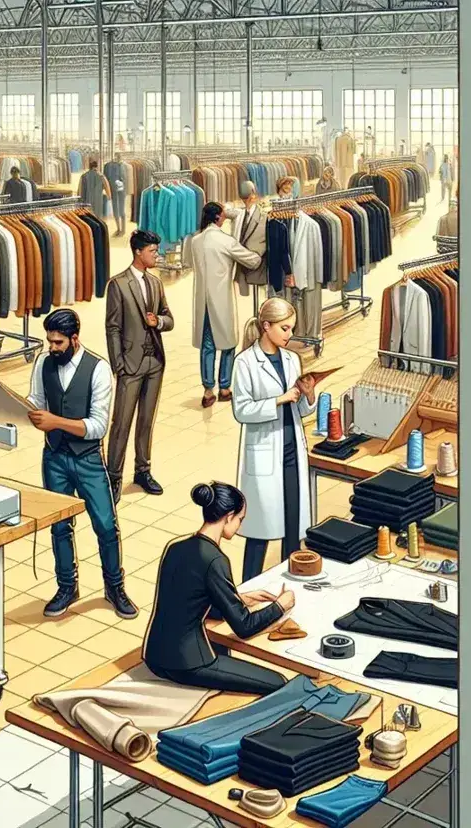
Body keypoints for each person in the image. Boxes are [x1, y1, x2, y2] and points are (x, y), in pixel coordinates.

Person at [0, 309, 137, 620]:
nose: (52, 347)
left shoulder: (99, 370)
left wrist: (56, 422)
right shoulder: (43, 363)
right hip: (54, 457)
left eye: (58, 342)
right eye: (50, 341)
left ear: (74, 339)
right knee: (59, 526)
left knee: (106, 525)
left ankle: (114, 586)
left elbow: (98, 427)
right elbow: (36, 402)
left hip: (88, 458)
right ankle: (67, 587)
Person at [143, 482, 294, 695]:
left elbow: (185, 600)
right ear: (229, 516)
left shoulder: (175, 546)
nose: (240, 526)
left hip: (154, 655)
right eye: (240, 520)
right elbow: (244, 627)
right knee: (278, 681)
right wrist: (280, 605)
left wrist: (240, 598)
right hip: (188, 663)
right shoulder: (215, 559)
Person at [231, 298, 317, 581]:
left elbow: (300, 410)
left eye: (291, 329)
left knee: (292, 527)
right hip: (266, 453)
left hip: (292, 450)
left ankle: (291, 588)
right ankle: (247, 591)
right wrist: (278, 400)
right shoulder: (245, 362)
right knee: (261, 530)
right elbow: (241, 411)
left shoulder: (292, 359)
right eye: (284, 328)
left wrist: (308, 394)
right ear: (266, 327)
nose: (289, 335)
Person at [104, 230, 173, 502]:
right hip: (130, 364)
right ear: (138, 252)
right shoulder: (118, 285)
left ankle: (142, 471)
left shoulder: (156, 283)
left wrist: (159, 322)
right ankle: (113, 477)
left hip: (155, 360)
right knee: (121, 422)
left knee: (147, 420)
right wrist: (118, 364)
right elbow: (112, 327)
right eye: (153, 251)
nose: (156, 255)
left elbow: (168, 317)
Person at [187, 202, 261, 408]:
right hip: (221, 299)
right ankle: (225, 387)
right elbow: (252, 260)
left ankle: (208, 390)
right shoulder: (224, 240)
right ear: (219, 217)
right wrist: (261, 249)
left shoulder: (196, 240)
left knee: (207, 345)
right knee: (228, 343)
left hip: (202, 300)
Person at [230, 182, 270, 299]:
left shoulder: (264, 216)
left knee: (257, 296)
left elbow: (263, 241)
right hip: (242, 266)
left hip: (256, 266)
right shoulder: (240, 215)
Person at [78, 156, 114, 224]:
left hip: (86, 202)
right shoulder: (102, 176)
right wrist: (109, 197)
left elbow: (79, 192)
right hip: (98, 202)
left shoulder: (83, 176)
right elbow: (108, 191)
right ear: (97, 166)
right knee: (98, 220)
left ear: (89, 166)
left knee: (88, 221)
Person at [103, 153, 129, 236]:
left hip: (121, 191)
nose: (117, 158)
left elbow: (125, 179)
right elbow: (105, 178)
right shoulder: (107, 166)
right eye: (117, 156)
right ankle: (118, 228)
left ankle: (123, 229)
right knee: (115, 210)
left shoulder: (123, 166)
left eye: (119, 157)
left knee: (121, 210)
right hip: (113, 190)